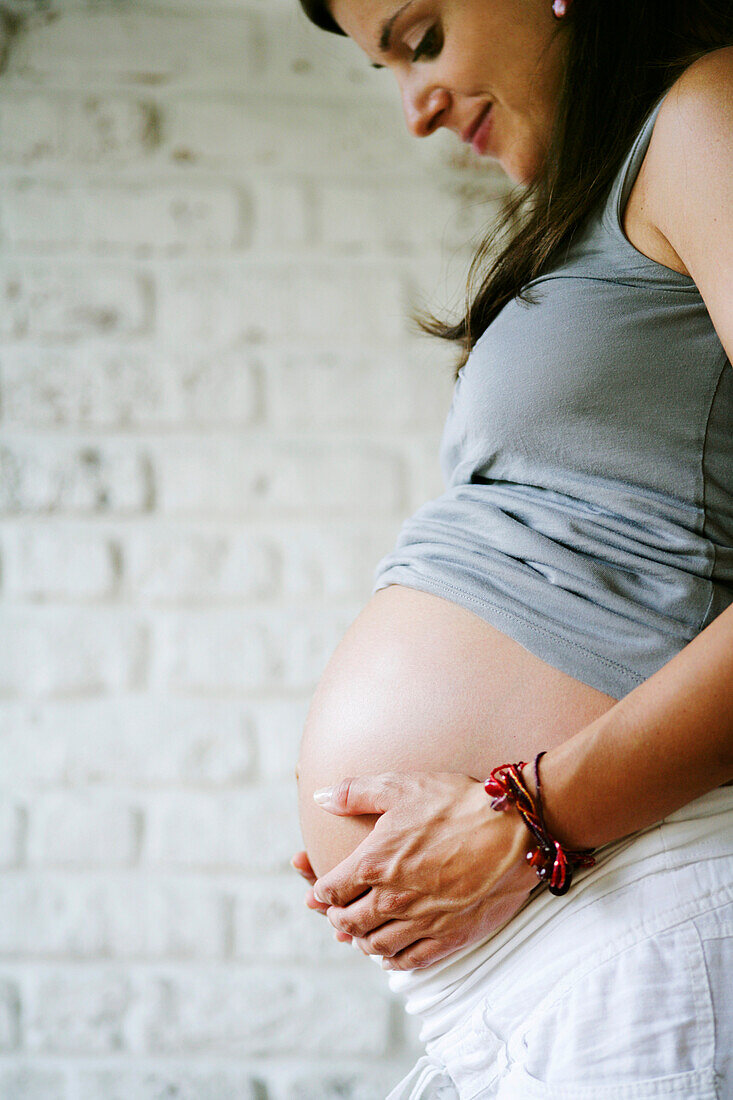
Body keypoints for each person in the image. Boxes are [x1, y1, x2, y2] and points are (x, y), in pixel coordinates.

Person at [290, 2, 733, 1095]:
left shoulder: (705, 115)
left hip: (640, 898)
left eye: (421, 37)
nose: (415, 108)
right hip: (543, 953)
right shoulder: (602, 202)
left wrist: (524, 817)